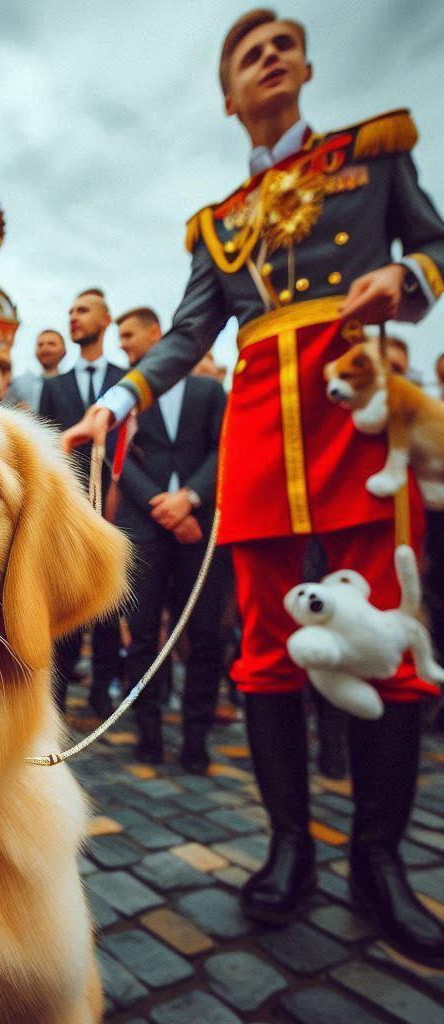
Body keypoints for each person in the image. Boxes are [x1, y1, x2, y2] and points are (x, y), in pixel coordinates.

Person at [63, 9, 444, 964]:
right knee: (268, 636)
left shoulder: (375, 156)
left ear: (307, 68)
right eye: (248, 56)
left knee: (390, 621)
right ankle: (287, 850)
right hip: (263, 427)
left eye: (282, 47)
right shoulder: (218, 224)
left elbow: (440, 249)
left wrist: (407, 280)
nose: (269, 59)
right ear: (228, 97)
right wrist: (117, 403)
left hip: (360, 411)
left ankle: (379, 862)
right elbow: (190, 333)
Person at [112, 308, 229, 772]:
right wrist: (162, 503)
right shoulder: (126, 397)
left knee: (204, 636)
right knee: (142, 637)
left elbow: (225, 448)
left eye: (128, 334)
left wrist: (192, 499)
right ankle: (148, 732)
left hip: (200, 530)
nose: (122, 344)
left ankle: (195, 738)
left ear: (156, 334)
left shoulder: (209, 390)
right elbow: (118, 462)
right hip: (146, 527)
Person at [39, 289, 125, 718]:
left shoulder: (128, 380)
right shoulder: (55, 387)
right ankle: (55, 697)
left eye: (83, 311)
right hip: (71, 507)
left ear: (106, 320)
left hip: (121, 506)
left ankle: (102, 692)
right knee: (67, 595)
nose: (74, 318)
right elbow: (49, 447)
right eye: (70, 311)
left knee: (112, 602)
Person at [9, 328, 67, 410]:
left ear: (64, 350)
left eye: (51, 344)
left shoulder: (72, 385)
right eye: (40, 345)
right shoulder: (20, 384)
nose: (45, 348)